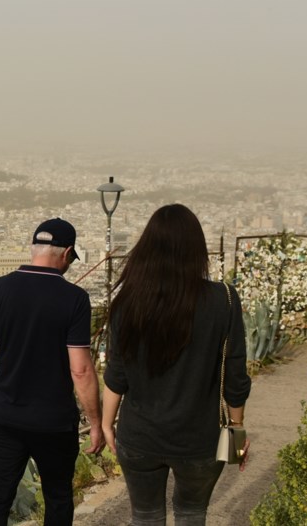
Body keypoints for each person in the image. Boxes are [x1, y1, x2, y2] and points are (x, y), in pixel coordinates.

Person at [101, 204, 252, 526]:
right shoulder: (223, 299)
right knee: (192, 515)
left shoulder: (128, 303)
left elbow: (117, 374)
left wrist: (106, 424)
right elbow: (235, 375)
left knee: (145, 516)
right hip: (200, 439)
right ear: (196, 249)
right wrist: (237, 432)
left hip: (140, 435)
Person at [0, 218, 105, 526]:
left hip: (6, 415)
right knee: (57, 497)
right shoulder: (75, 299)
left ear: (34, 248)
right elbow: (81, 370)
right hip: (54, 421)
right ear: (67, 253)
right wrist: (96, 423)